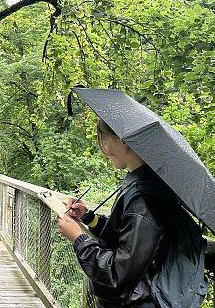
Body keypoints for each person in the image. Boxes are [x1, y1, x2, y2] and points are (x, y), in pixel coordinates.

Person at [57, 118, 179, 308]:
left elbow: (118, 273)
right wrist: (88, 218)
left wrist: (79, 238)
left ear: (122, 140)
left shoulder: (144, 199)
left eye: (103, 139)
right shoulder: (141, 183)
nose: (102, 147)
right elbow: (127, 235)